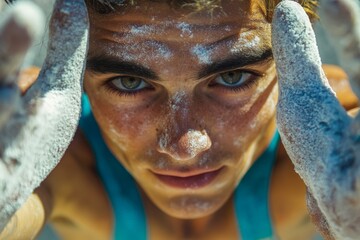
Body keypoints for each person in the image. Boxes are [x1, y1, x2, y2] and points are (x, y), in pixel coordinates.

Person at [0, 0, 359, 239]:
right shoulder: (37, 142)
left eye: (232, 77)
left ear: (291, 59)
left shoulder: (337, 145)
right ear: (76, 74)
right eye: (130, 82)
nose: (185, 147)